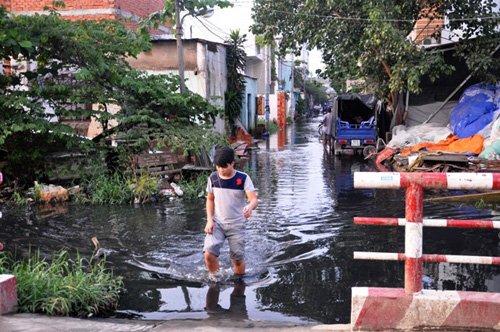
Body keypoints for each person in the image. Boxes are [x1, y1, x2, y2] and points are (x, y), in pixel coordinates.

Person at [203, 147, 258, 281]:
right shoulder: (213, 178)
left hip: (237, 225)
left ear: (233, 163)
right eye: (218, 167)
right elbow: (210, 199)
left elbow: (254, 199)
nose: (221, 170)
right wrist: (209, 220)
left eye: (224, 166)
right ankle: (215, 280)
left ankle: (239, 287)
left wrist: (250, 207)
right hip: (217, 223)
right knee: (209, 254)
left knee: (237, 260)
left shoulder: (242, 178)